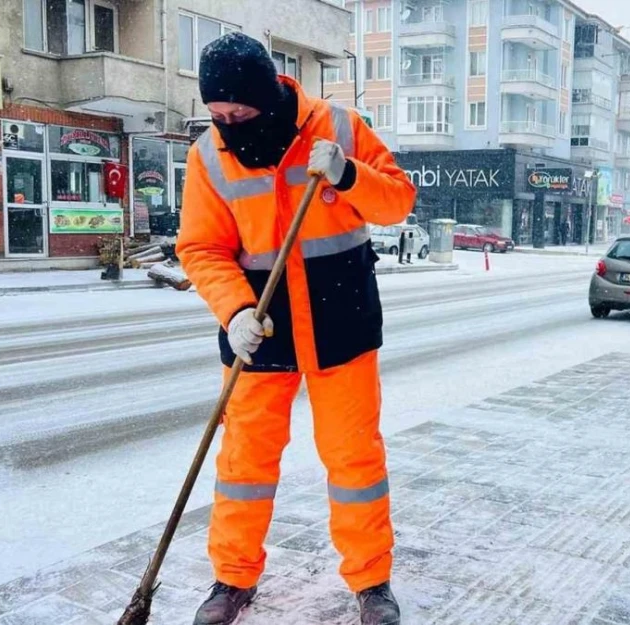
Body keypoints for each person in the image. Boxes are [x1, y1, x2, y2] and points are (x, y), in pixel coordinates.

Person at [176, 33, 415, 625]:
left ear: (268, 96)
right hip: (259, 329)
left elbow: (397, 203)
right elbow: (202, 248)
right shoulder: (208, 155)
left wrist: (350, 174)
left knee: (354, 458)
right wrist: (232, 312)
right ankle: (232, 579)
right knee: (244, 463)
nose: (229, 124)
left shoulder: (340, 125)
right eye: (218, 114)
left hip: (342, 321)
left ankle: (371, 582)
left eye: (240, 112)